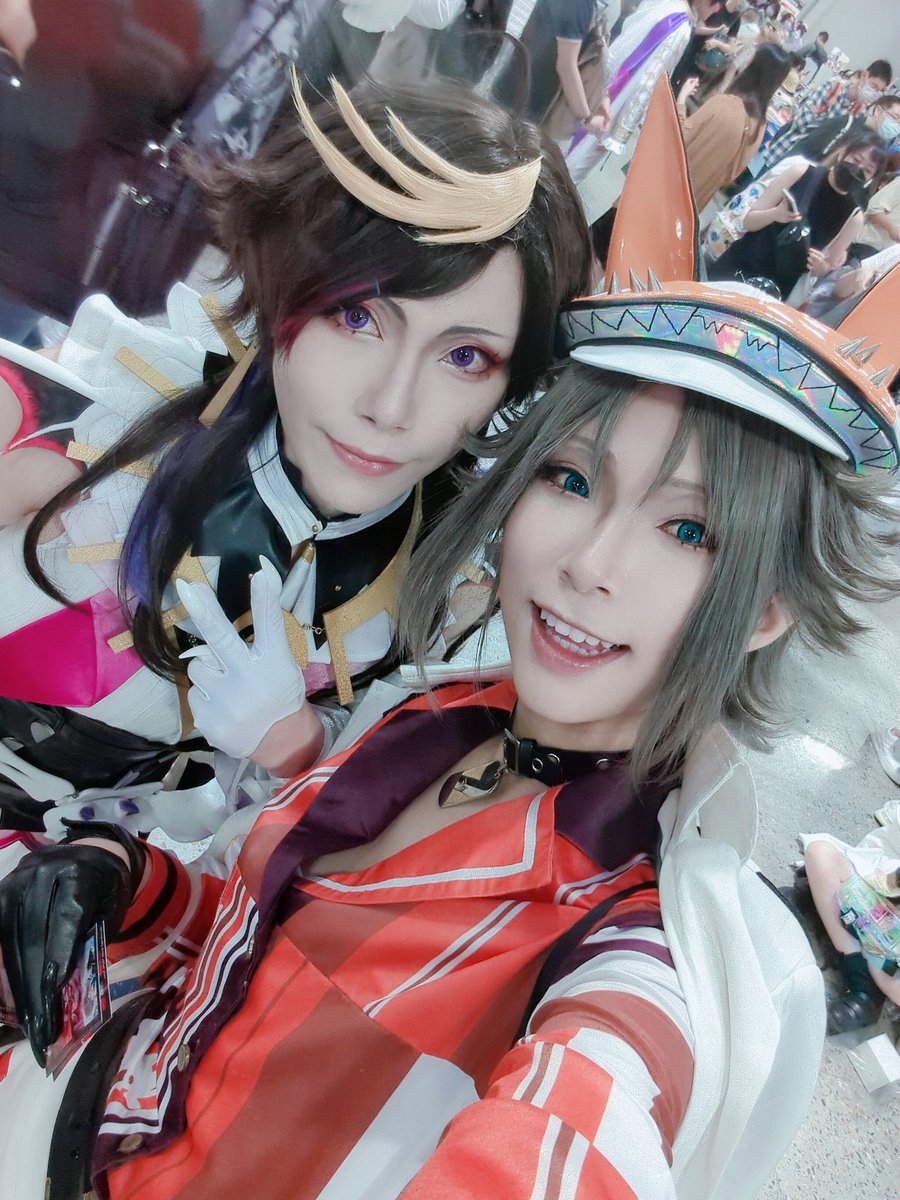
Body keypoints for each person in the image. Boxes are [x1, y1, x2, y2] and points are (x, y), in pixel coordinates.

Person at [0, 75, 898, 1200]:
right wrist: (125, 882)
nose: (391, 403)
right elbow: (255, 935)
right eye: (358, 313)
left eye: (689, 531)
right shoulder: (439, 704)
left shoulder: (631, 937)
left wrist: (277, 752)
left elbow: (583, 1115)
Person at [0, 74, 591, 839]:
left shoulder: (450, 594)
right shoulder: (93, 423)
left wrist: (296, 747)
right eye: (357, 316)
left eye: (465, 357)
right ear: (283, 285)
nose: (390, 407)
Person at [706, 130, 887, 300]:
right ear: (842, 153)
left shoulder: (854, 217)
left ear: (870, 180)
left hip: (774, 291)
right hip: (740, 263)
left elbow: (826, 266)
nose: (858, 169)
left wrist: (819, 265)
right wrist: (775, 214)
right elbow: (749, 221)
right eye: (856, 159)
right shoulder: (801, 172)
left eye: (867, 170)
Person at [560, 0, 692, 184]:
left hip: (605, 72)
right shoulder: (681, 26)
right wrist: (620, 134)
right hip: (619, 95)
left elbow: (628, 21)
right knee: (574, 163)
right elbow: (649, 82)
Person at [801, 811, 900, 1033]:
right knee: (820, 853)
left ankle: (866, 990)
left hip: (890, 963)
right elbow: (884, 881)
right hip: (876, 917)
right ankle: (858, 969)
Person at [676, 41, 793, 210]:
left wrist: (682, 98)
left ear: (754, 69)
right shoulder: (760, 127)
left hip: (670, 183)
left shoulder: (725, 103)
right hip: (695, 201)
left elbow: (679, 136)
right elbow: (730, 176)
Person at [759, 59, 893, 172]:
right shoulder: (833, 87)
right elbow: (801, 122)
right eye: (873, 86)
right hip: (784, 151)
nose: (873, 93)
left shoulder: (859, 115)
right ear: (864, 76)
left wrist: (821, 122)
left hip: (805, 170)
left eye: (878, 91)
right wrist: (828, 133)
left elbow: (834, 151)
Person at [670, 0, 744, 94]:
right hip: (690, 50)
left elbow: (730, 48)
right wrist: (718, 30)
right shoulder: (717, 4)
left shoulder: (736, 18)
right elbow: (697, 29)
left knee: (685, 89)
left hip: (704, 61)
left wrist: (717, 43)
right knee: (673, 82)